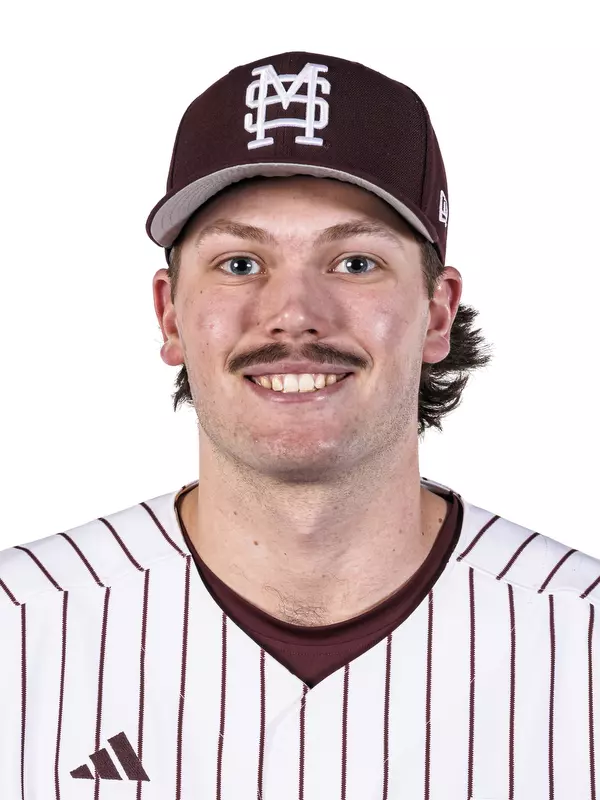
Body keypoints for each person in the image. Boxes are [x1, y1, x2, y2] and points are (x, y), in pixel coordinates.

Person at [0, 51, 597, 800]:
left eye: (354, 263)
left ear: (437, 313)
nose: (293, 316)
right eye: (240, 264)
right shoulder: (18, 628)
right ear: (170, 314)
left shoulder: (583, 640)